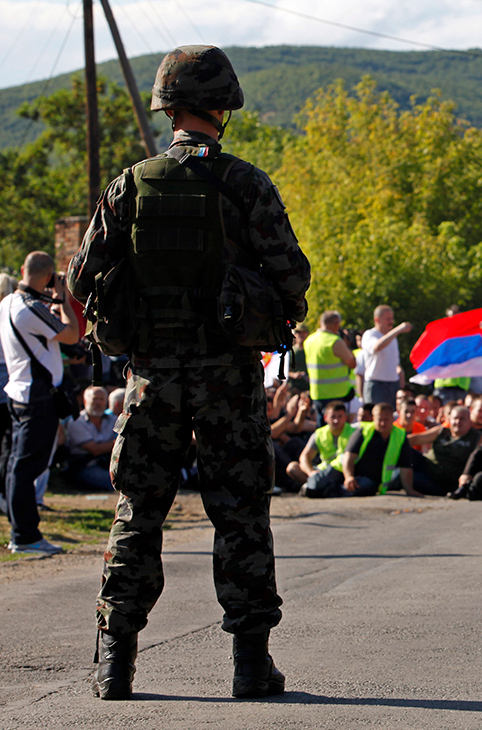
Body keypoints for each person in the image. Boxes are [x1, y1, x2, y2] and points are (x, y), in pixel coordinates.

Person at [68, 46, 311, 701]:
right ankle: (250, 666)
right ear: (223, 107)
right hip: (228, 380)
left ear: (167, 106)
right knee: (239, 517)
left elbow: (80, 276)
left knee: (137, 515)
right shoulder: (244, 183)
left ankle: (115, 665)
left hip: (150, 380)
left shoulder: (131, 183)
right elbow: (293, 276)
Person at [2, 251, 80, 555]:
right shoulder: (31, 307)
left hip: (18, 393)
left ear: (23, 269)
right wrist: (64, 300)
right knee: (27, 467)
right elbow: (72, 335)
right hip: (37, 397)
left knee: (15, 464)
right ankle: (24, 535)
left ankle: (20, 530)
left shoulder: (8, 302)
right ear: (48, 277)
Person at [302, 402, 413, 498]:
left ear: (392, 419)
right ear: (374, 419)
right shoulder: (363, 431)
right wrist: (349, 477)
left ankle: (330, 490)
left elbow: (406, 467)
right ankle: (308, 486)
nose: (383, 423)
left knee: (360, 489)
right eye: (380, 420)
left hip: (368, 478)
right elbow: (348, 457)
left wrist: (410, 491)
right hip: (342, 468)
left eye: (386, 419)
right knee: (314, 487)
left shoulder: (400, 435)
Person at [305, 310, 356, 424]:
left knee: (322, 429)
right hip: (336, 393)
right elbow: (352, 363)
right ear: (336, 324)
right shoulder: (335, 341)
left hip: (317, 392)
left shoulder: (309, 340)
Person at [288, 400, 355, 488]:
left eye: (340, 416)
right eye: (333, 416)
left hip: (343, 471)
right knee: (292, 467)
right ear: (325, 418)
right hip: (323, 470)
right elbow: (305, 456)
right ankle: (317, 485)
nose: (336, 420)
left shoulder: (354, 432)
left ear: (345, 418)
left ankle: (316, 486)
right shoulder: (319, 433)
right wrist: (311, 472)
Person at [422, 404, 482, 495]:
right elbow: (413, 440)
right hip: (429, 473)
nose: (458, 422)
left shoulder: (477, 437)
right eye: (455, 418)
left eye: (462, 419)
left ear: (469, 421)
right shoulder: (441, 431)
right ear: (449, 420)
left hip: (452, 480)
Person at [65, 386, 118, 491]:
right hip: (85, 466)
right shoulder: (77, 421)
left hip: (109, 464)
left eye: (101, 399)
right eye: (94, 399)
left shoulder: (114, 420)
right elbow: (94, 450)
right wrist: (118, 444)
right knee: (113, 481)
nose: (98, 403)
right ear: (85, 401)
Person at [361, 305, 411, 406]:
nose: (391, 322)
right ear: (377, 320)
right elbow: (377, 346)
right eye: (388, 319)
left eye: (392, 318)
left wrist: (400, 374)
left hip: (393, 384)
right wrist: (398, 330)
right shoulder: (370, 334)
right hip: (376, 384)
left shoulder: (393, 338)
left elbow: (395, 361)